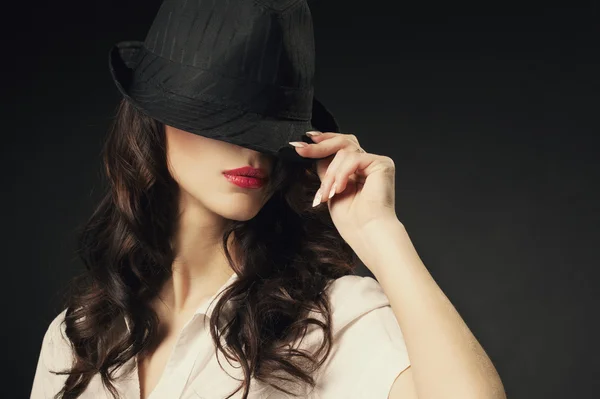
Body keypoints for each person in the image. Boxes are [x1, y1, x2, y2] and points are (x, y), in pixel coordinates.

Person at [30, 1, 506, 398]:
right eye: (219, 116)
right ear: (154, 120)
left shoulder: (330, 318)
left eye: (271, 129)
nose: (252, 148)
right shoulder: (78, 336)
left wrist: (380, 233)